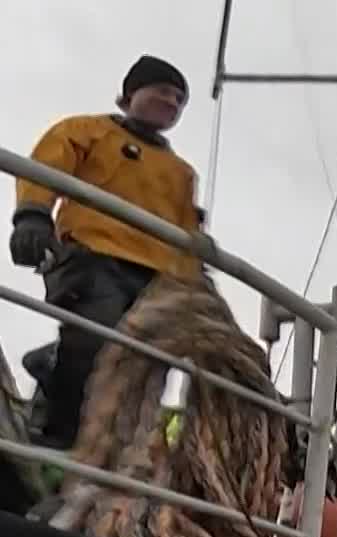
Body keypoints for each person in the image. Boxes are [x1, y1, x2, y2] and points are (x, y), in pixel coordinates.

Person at [11, 55, 203, 451]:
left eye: (179, 101)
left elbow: (185, 235)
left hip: (155, 277)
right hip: (91, 255)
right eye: (162, 93)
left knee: (144, 367)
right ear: (130, 94)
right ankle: (61, 437)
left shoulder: (180, 173)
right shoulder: (86, 131)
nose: (171, 104)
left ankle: (115, 450)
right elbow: (46, 168)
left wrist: (193, 288)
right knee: (93, 341)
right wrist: (33, 216)